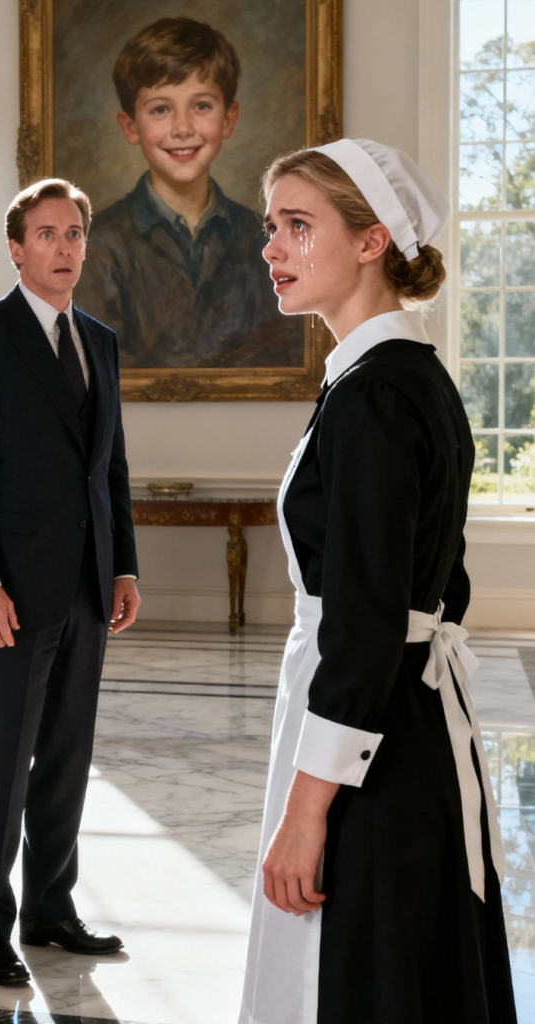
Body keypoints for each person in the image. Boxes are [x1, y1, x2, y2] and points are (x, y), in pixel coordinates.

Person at [240, 140, 517, 1023]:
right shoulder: (406, 376)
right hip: (408, 723)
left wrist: (304, 812)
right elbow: (436, 585)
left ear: (370, 242)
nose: (271, 247)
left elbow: (363, 626)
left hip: (374, 743)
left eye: (296, 224)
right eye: (269, 227)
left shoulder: (371, 395)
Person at [0, 178, 140, 987]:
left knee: (65, 756)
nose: (63, 247)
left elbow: (109, 469)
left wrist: (121, 565)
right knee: (1, 758)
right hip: (8, 595)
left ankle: (50, 908)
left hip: (86, 588)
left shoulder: (100, 341)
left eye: (73, 233)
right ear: (16, 249)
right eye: (46, 234)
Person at [72, 16, 294, 369]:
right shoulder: (99, 245)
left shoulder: (262, 239)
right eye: (160, 109)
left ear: (229, 118)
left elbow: (282, 351)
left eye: (201, 106)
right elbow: (98, 361)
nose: (182, 128)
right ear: (130, 126)